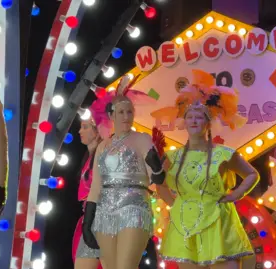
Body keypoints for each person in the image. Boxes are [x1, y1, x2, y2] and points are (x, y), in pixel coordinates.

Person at [151, 69, 260, 268]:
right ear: (184, 121)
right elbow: (161, 184)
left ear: (208, 123)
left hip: (220, 223)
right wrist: (175, 205)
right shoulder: (172, 157)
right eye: (190, 116)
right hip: (186, 224)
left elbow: (252, 174)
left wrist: (236, 194)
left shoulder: (224, 154)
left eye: (199, 117)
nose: (193, 120)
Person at [82, 75, 165, 269]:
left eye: (129, 112)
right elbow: (95, 187)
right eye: (121, 112)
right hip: (104, 211)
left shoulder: (142, 139)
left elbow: (157, 178)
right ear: (112, 116)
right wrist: (88, 222)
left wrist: (157, 166)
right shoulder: (103, 146)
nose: (126, 116)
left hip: (134, 207)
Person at [72, 89, 114, 269]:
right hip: (88, 221)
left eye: (85, 126)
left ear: (98, 131)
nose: (80, 131)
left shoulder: (106, 153)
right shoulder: (87, 159)